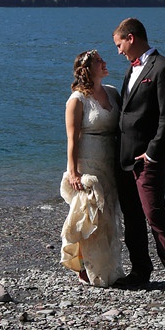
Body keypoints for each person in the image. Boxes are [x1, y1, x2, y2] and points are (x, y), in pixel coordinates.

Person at [113, 17, 165, 295]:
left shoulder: (164, 68)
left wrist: (154, 153)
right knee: (132, 217)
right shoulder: (129, 71)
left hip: (148, 160)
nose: (118, 51)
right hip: (124, 159)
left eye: (119, 44)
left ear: (131, 38)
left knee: (154, 215)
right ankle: (140, 271)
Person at [60, 49, 123, 287]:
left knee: (109, 216)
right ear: (86, 69)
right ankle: (87, 267)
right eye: (99, 61)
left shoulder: (112, 92)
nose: (105, 63)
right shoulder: (77, 100)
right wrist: (74, 171)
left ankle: (107, 268)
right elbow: (72, 139)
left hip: (110, 160)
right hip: (88, 162)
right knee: (90, 215)